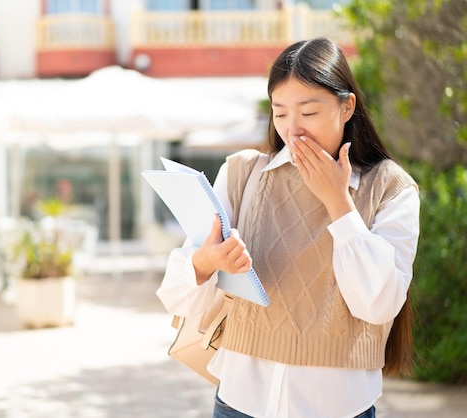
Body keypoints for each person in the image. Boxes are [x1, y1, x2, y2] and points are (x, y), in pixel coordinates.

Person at [156, 37, 420, 418]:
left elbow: (378, 306)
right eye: (280, 113)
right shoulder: (240, 173)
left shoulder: (390, 188)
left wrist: (339, 203)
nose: (292, 130)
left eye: (308, 113)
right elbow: (175, 296)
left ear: (347, 107)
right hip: (238, 403)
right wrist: (205, 262)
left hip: (338, 409)